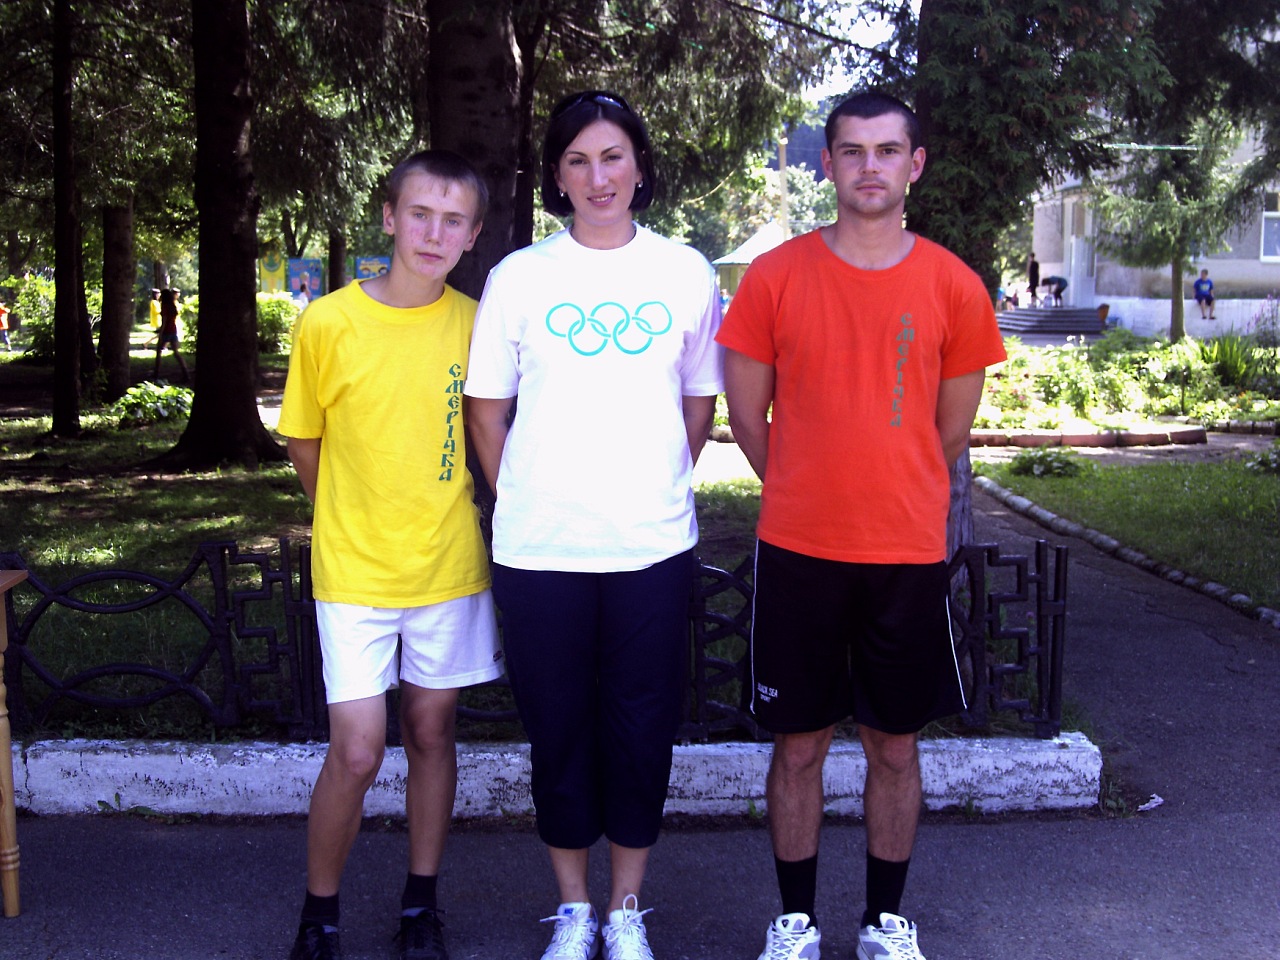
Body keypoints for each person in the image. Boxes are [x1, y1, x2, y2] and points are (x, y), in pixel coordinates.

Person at [717, 91, 1007, 960]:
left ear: (914, 165)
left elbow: (948, 434)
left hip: (905, 554)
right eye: (852, 151)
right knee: (798, 744)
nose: (869, 166)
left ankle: (885, 923)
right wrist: (808, 486)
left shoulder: (953, 284)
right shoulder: (775, 277)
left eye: (887, 151)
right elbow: (748, 418)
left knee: (895, 745)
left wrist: (887, 486)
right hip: (798, 551)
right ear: (828, 165)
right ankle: (795, 924)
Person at [464, 90, 723, 960]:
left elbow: (698, 403)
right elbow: (486, 412)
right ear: (557, 176)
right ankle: (574, 910)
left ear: (640, 168)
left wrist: (650, 483)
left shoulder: (685, 272)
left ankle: (627, 909)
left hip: (651, 546)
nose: (597, 176)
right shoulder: (519, 277)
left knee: (643, 728)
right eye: (578, 160)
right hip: (541, 550)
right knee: (559, 728)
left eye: (613, 157)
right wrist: (525, 497)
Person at [277, 150, 503, 960]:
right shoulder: (328, 322)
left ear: (473, 235)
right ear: (389, 217)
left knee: (432, 731)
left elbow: (489, 428)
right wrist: (351, 515)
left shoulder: (477, 322)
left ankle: (420, 906)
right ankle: (319, 913)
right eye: (419, 215)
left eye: (453, 221)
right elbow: (305, 443)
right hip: (354, 572)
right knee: (359, 749)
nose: (433, 234)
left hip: (448, 566)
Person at [153, 288, 189, 381]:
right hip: (173, 330)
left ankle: (156, 373)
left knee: (158, 352)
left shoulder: (164, 306)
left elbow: (164, 322)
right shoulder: (173, 306)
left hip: (166, 332)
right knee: (176, 353)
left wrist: (161, 333)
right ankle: (185, 372)